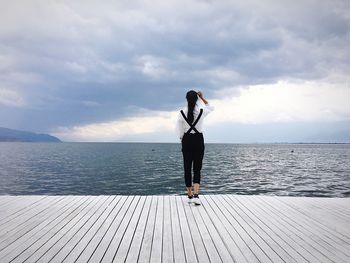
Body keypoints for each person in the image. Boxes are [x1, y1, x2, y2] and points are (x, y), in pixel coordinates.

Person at [176, 90, 214, 205]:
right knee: (197, 168)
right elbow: (211, 107)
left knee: (187, 168)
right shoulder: (202, 111)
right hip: (198, 140)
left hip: (187, 140)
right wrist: (202, 98)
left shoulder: (182, 112)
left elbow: (179, 130)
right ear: (197, 99)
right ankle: (196, 195)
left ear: (187, 99)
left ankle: (189, 194)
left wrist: (182, 139)